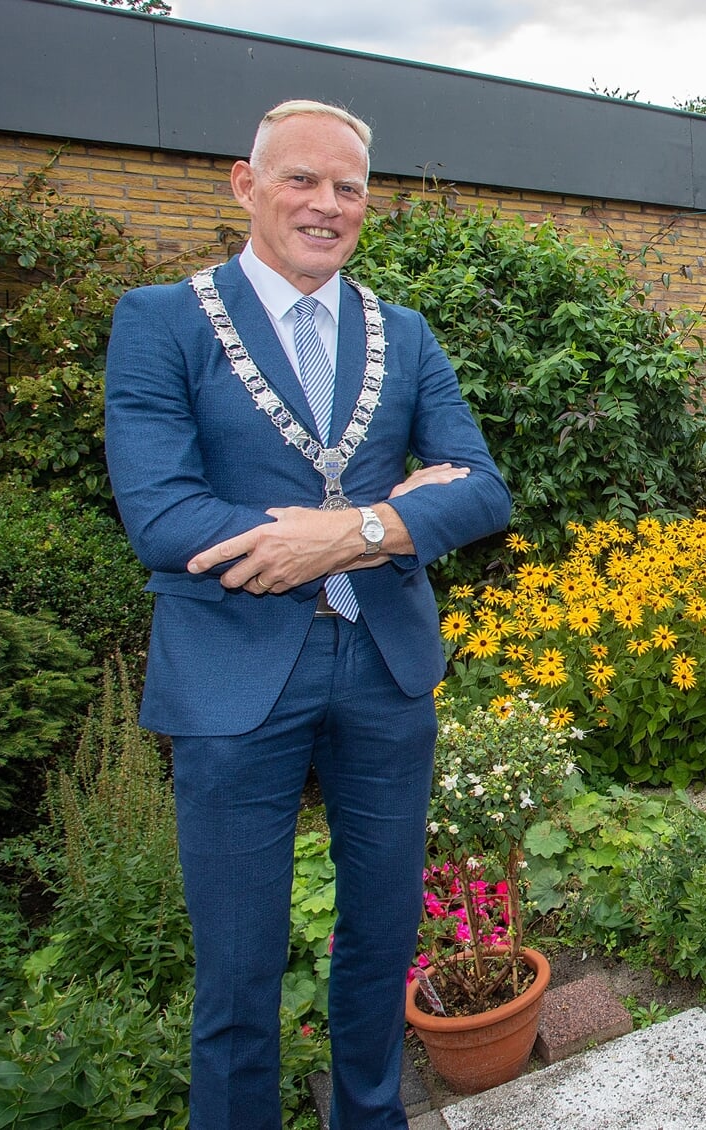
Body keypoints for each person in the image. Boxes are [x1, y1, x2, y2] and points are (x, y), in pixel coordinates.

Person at [104, 100, 511, 1130]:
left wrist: (352, 533)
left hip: (385, 670)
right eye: (302, 180)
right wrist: (397, 508)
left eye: (348, 188)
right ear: (247, 183)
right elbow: (162, 513)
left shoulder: (403, 333)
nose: (326, 206)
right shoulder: (161, 321)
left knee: (379, 943)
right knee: (237, 968)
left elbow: (482, 490)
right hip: (232, 678)